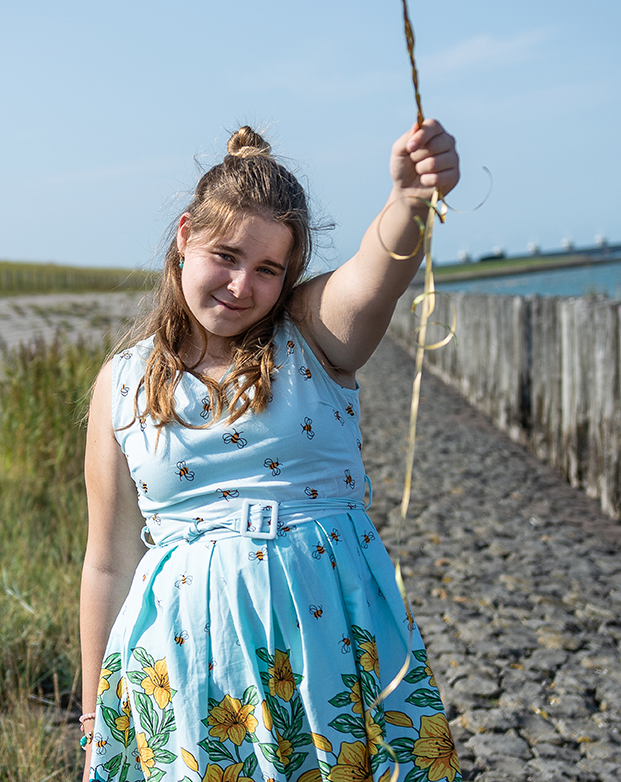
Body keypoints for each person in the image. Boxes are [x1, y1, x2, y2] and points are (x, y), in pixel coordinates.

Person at [80, 120, 462, 782]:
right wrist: (93, 720)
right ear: (184, 238)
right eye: (225, 255)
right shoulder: (122, 381)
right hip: (188, 664)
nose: (240, 284)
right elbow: (108, 562)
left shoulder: (311, 335)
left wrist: (407, 203)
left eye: (267, 269)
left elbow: (374, 281)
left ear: (289, 277)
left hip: (328, 643)